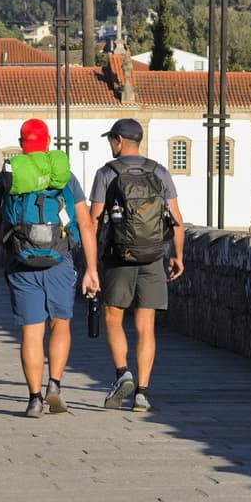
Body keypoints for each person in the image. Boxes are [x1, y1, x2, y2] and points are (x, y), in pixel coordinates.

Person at [0, 118, 97, 418]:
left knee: (31, 333)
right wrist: (91, 269)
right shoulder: (63, 174)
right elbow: (84, 223)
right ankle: (54, 385)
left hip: (21, 261)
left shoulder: (9, 176)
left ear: (22, 143)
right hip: (60, 259)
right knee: (61, 323)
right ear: (48, 141)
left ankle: (33, 399)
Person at [88, 117, 184, 413]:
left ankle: (122, 374)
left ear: (118, 140)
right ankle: (142, 393)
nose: (110, 145)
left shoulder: (106, 173)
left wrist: (90, 265)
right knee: (146, 326)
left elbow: (92, 221)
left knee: (113, 318)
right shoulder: (160, 172)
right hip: (154, 255)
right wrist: (178, 256)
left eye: (111, 140)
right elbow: (177, 221)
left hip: (119, 255)